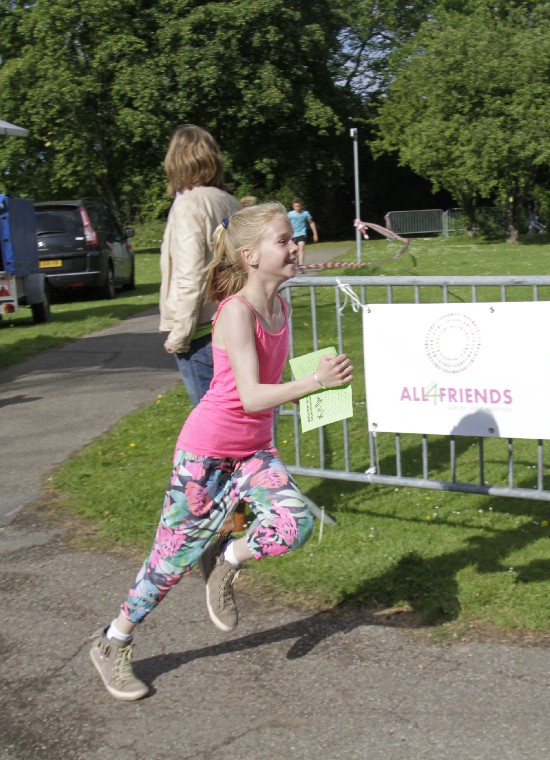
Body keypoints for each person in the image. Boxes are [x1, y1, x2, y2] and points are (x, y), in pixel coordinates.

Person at [89, 202, 354, 700]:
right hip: (206, 455)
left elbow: (266, 386)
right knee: (170, 562)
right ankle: (113, 640)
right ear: (251, 256)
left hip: (254, 451)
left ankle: (226, 559)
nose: (294, 247)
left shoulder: (281, 307)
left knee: (295, 524)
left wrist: (316, 386)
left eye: (293, 239)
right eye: (283, 240)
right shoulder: (235, 311)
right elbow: (251, 396)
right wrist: (315, 383)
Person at [160, 125, 243, 406]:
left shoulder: (189, 205)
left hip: (203, 332)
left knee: (213, 425)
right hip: (234, 325)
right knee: (239, 419)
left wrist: (179, 335)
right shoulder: (231, 202)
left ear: (176, 160)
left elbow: (191, 275)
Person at [286, 197, 317, 266]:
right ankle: (295, 264)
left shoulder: (305, 213)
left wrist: (315, 234)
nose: (298, 208)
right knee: (294, 251)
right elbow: (285, 223)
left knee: (301, 247)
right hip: (292, 234)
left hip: (302, 233)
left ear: (301, 206)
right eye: (296, 206)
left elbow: (311, 223)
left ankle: (301, 265)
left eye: (299, 206)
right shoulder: (290, 214)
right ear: (293, 206)